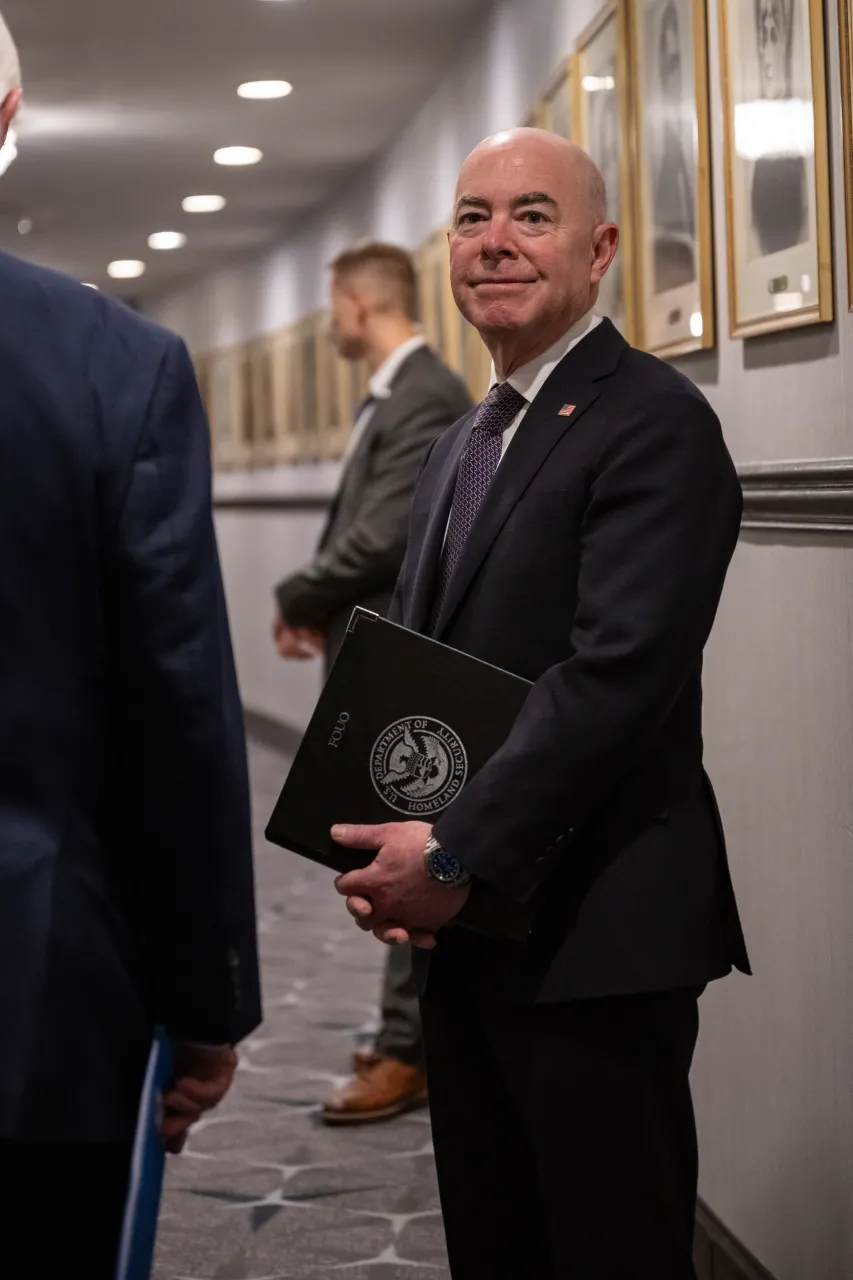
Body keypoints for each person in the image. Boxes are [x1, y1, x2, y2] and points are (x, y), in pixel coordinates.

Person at [330, 129, 750, 1278]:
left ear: (601, 246)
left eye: (531, 214)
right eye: (472, 218)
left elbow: (613, 679)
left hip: (595, 932)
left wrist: (453, 849)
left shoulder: (653, 421)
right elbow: (427, 668)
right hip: (474, 937)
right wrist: (386, 842)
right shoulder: (467, 437)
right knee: (498, 1234)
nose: (495, 243)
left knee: (606, 1243)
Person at [0, 15, 261, 1275]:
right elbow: (179, 713)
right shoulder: (114, 366)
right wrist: (206, 1000)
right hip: (33, 994)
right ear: (5, 124)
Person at [273, 242, 471, 1123]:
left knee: (404, 845)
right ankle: (409, 1035)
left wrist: (298, 593)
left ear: (358, 303)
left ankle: (408, 1048)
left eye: (333, 304)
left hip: (403, 661)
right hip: (375, 650)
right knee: (387, 847)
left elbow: (385, 535)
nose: (330, 321)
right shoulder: (396, 393)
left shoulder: (426, 392)